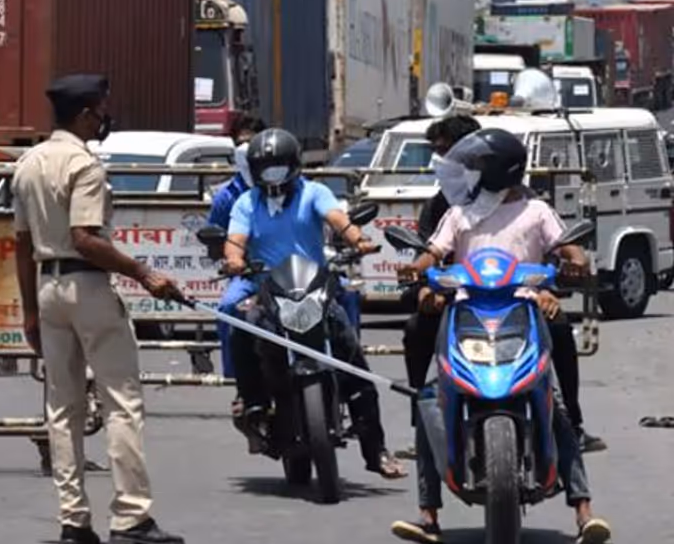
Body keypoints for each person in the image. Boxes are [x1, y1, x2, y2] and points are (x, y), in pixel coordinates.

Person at [390, 128, 611, 544]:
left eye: (477, 167)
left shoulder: (536, 211)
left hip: (523, 309)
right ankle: (428, 515)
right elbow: (434, 253)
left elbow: (567, 250)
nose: (470, 174)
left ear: (495, 171)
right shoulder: (460, 213)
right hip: (467, 310)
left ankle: (584, 511)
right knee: (429, 403)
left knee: (555, 405)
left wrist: (572, 265)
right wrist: (416, 271)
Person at [12, 74, 185, 544]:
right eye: (102, 109)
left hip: (48, 290)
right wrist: (145, 274)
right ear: (86, 112)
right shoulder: (84, 166)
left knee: (62, 409)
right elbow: (86, 239)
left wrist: (29, 311)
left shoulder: (28, 164)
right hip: (87, 288)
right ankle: (131, 517)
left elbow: (22, 246)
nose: (105, 117)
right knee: (121, 404)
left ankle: (74, 520)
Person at [222, 128, 407, 479]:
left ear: (293, 167)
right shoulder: (246, 203)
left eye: (279, 169)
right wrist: (233, 258)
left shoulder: (314, 192)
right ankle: (254, 403)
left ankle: (377, 450)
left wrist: (359, 239)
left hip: (315, 289)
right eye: (265, 170)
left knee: (353, 359)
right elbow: (235, 240)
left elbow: (338, 220)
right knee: (242, 329)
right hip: (269, 290)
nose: (272, 178)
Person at [206, 112, 266, 379]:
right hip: (250, 274)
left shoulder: (296, 187)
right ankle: (237, 380)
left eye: (252, 144)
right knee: (229, 307)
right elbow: (217, 245)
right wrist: (232, 259)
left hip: (293, 270)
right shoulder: (229, 198)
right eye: (241, 145)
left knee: (344, 296)